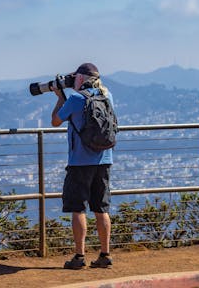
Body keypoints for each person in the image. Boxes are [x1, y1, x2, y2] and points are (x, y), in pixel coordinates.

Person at [50, 62, 114, 270]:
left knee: (78, 209)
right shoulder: (107, 96)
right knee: (101, 208)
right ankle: (105, 254)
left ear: (80, 79)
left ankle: (79, 256)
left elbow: (55, 121)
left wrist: (61, 97)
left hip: (79, 162)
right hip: (104, 159)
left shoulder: (76, 99)